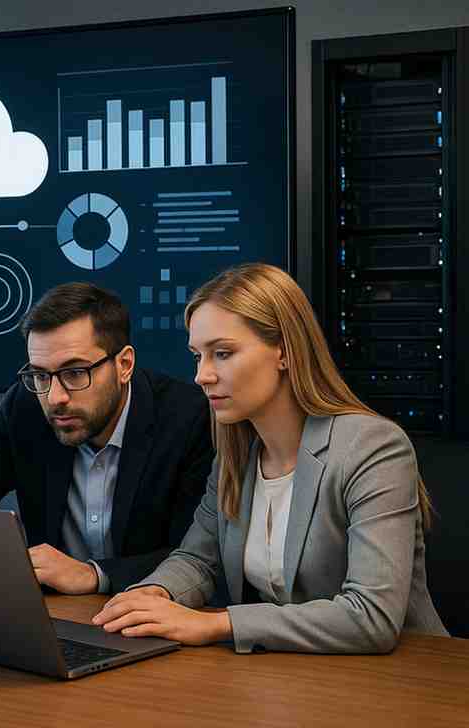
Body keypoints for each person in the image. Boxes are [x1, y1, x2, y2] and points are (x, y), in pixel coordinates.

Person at [94, 263, 448, 653]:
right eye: (198, 356)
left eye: (223, 353)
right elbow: (197, 559)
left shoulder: (373, 448)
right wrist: (152, 596)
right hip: (297, 679)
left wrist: (218, 623)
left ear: (283, 351)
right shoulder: (236, 455)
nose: (202, 375)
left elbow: (370, 617)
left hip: (407, 681)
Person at [0, 282, 213, 594]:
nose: (54, 396)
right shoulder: (26, 404)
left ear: (124, 365)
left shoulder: (189, 419)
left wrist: (95, 574)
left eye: (75, 373)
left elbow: (197, 556)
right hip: (50, 614)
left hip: (153, 617)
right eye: (40, 374)